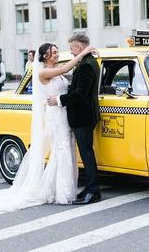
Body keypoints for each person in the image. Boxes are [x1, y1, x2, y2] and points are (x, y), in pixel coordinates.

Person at [0, 43, 96, 212]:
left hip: (64, 115)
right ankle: (62, 192)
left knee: (68, 151)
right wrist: (84, 52)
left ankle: (67, 189)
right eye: (54, 52)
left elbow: (72, 75)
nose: (57, 54)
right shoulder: (43, 72)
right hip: (55, 116)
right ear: (45, 56)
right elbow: (67, 67)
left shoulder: (57, 68)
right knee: (61, 151)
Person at [48, 34, 101, 205]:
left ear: (79, 47)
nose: (70, 51)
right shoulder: (89, 62)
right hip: (85, 115)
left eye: (72, 48)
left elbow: (80, 94)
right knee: (86, 153)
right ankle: (90, 188)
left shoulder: (86, 65)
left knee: (87, 154)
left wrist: (59, 100)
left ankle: (93, 191)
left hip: (82, 116)